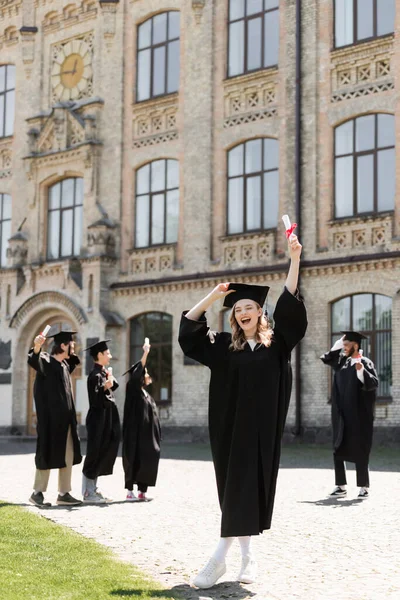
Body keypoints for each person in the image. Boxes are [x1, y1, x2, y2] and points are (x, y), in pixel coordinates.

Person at [178, 235, 307, 589]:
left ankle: (223, 559)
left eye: (248, 307)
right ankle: (241, 559)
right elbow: (190, 331)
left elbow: (291, 307)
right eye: (237, 309)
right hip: (231, 430)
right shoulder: (222, 346)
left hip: (263, 431)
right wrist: (214, 296)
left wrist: (294, 259)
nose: (243, 313)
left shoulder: (277, 344)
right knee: (236, 490)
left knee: (246, 490)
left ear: (260, 312)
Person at [27, 329, 82, 507]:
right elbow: (34, 360)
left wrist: (71, 353)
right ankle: (37, 493)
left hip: (66, 421)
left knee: (68, 454)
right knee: (47, 452)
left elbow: (74, 360)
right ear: (63, 345)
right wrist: (37, 345)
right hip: (50, 421)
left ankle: (64, 493)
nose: (73, 346)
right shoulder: (46, 361)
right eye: (71, 344)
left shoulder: (64, 366)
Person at [320, 331, 378, 499]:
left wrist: (361, 372)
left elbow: (373, 384)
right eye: (343, 346)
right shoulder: (342, 363)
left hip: (358, 415)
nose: (344, 348)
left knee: (360, 449)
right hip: (341, 414)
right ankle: (340, 486)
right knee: (338, 448)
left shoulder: (365, 362)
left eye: (347, 345)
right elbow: (327, 358)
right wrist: (339, 343)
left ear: (356, 345)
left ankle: (364, 487)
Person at [122, 340, 161, 502]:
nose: (147, 375)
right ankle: (130, 490)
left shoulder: (146, 394)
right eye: (145, 373)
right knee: (133, 459)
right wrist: (145, 353)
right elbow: (138, 372)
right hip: (134, 435)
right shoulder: (132, 390)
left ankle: (142, 491)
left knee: (149, 458)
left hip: (147, 437)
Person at [82, 340, 121, 503]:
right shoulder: (94, 375)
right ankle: (87, 493)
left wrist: (108, 382)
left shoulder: (103, 373)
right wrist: (105, 387)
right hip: (97, 420)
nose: (110, 356)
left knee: (102, 451)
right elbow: (95, 400)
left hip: (106, 419)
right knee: (93, 453)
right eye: (107, 353)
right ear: (99, 355)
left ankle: (93, 489)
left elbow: (114, 387)